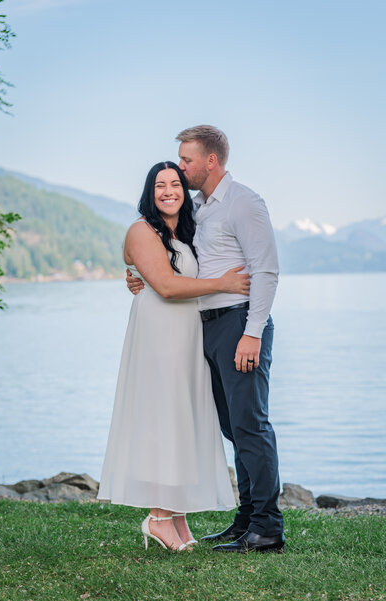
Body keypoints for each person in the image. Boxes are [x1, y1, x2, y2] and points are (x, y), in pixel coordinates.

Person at [127, 126, 285, 553]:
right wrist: (138, 276)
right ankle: (247, 520)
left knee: (251, 424)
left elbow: (266, 271)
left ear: (210, 161)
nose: (181, 167)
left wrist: (252, 333)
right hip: (206, 328)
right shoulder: (197, 209)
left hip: (239, 325)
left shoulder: (244, 202)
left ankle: (267, 529)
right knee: (233, 428)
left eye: (186, 160)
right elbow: (170, 264)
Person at [97, 161, 251, 552]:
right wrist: (225, 283)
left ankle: (176, 515)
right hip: (160, 336)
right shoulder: (142, 229)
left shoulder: (184, 231)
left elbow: (144, 270)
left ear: (184, 191)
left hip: (187, 334)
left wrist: (134, 274)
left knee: (182, 420)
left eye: (175, 184)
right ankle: (158, 517)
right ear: (150, 193)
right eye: (160, 185)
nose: (169, 191)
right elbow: (165, 285)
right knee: (162, 420)